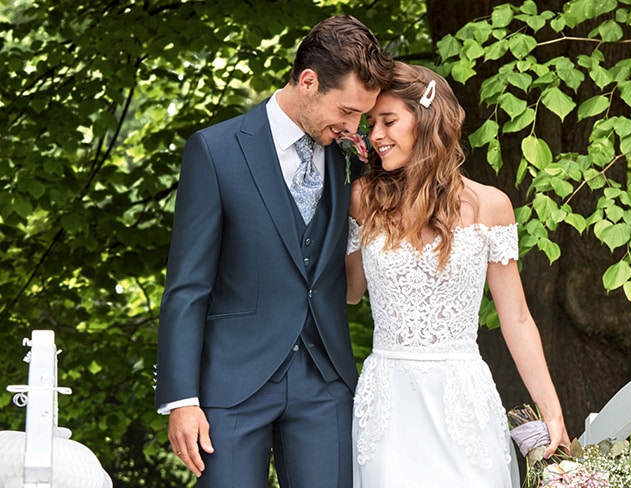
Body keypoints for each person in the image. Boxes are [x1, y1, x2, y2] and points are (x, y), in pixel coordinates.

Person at [155, 16, 394, 487]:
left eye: (361, 116)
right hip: (232, 384)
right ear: (308, 82)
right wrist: (182, 399)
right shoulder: (215, 150)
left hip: (325, 381)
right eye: (347, 111)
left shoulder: (350, 160)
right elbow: (187, 286)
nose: (354, 127)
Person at [345, 62, 569, 486]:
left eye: (388, 121)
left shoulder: (491, 206)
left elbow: (516, 317)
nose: (375, 136)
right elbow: (350, 292)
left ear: (427, 121)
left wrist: (551, 411)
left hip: (462, 396)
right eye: (370, 123)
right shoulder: (362, 199)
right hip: (389, 401)